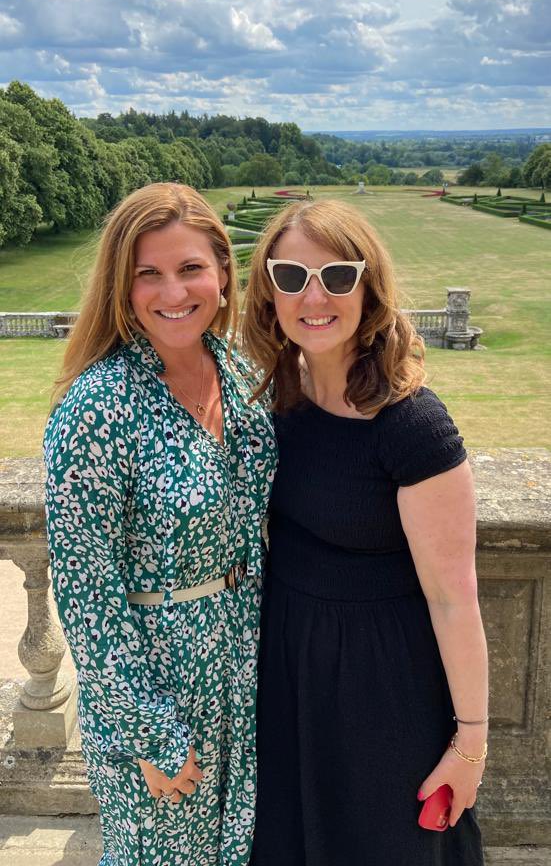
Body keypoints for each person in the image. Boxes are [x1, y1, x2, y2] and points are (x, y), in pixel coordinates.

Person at [241, 198, 487, 866]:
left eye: (336, 277)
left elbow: (453, 598)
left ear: (368, 287)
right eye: (290, 277)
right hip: (289, 677)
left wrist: (469, 745)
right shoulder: (274, 394)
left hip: (381, 690)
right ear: (267, 290)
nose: (312, 296)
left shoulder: (411, 425)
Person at [44, 182, 277, 866]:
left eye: (189, 268)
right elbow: (87, 594)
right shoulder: (98, 407)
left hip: (246, 667)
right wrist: (151, 734)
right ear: (122, 285)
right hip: (161, 688)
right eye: (149, 273)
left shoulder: (238, 371)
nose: (172, 291)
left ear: (223, 275)